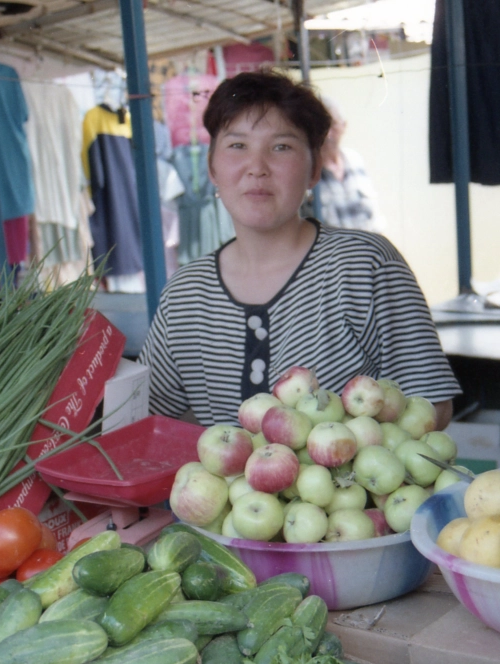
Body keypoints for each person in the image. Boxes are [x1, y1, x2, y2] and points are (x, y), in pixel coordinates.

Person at [138, 70, 460, 428]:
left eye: (281, 147)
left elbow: (431, 405)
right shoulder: (186, 293)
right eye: (237, 145)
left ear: (314, 170)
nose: (256, 168)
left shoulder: (364, 266)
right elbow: (141, 415)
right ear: (212, 167)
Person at [314, 97, 384, 232]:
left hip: (366, 249)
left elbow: (374, 215)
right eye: (321, 126)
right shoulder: (308, 171)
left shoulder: (354, 160)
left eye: (332, 124)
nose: (327, 134)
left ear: (343, 125)